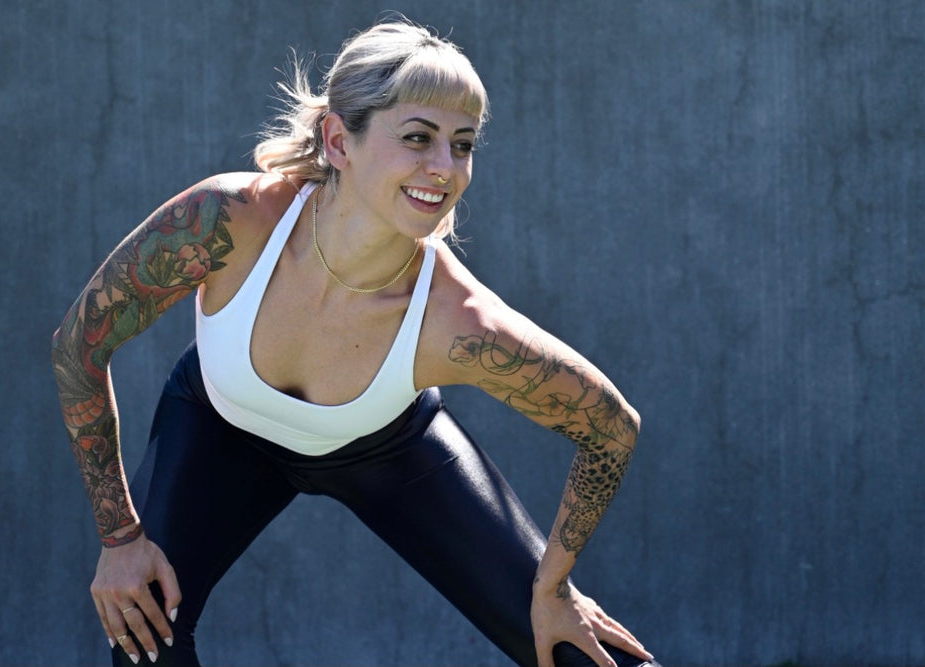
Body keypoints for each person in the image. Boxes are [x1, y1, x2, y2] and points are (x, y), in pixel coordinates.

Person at [52, 18, 660, 667]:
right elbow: (77, 348)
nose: (445, 168)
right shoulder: (229, 222)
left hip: (389, 447)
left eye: (463, 144)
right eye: (418, 138)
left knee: (580, 654)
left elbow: (610, 426)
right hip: (217, 425)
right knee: (142, 634)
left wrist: (553, 584)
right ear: (339, 140)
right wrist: (120, 535)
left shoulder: (458, 321)